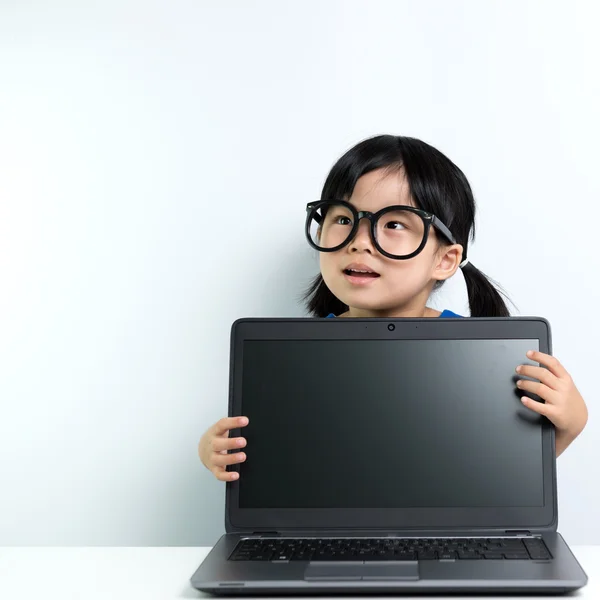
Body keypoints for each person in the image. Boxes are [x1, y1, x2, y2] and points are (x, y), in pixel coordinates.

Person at [198, 135, 588, 481]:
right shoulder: (302, 356)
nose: (360, 241)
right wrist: (214, 450)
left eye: (394, 224)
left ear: (445, 260)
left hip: (442, 534)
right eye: (344, 218)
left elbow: (497, 473)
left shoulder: (478, 354)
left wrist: (570, 423)